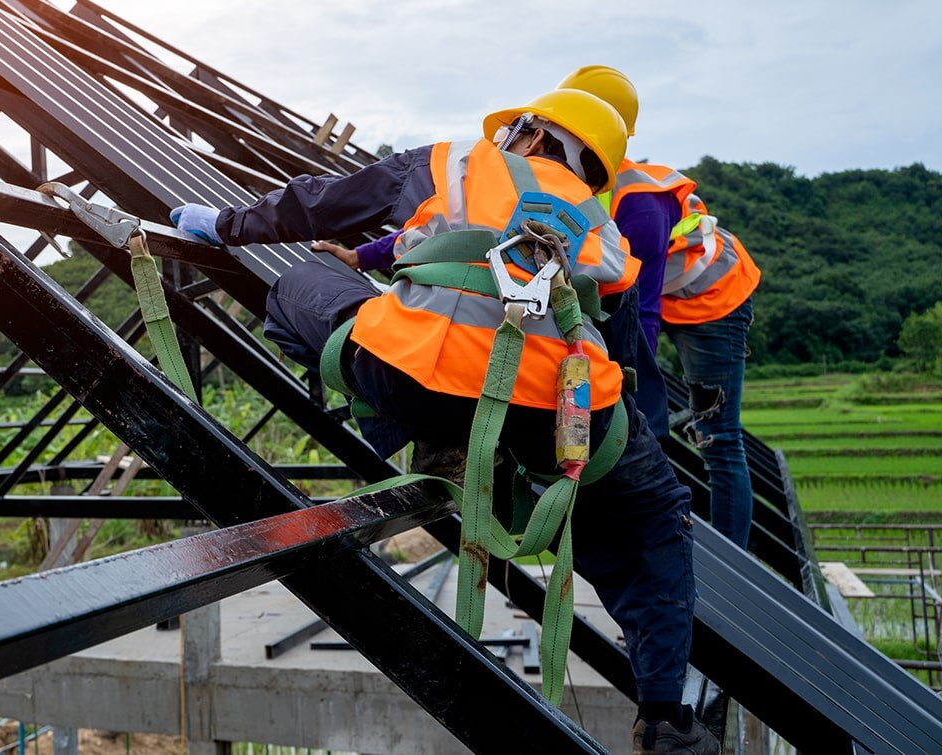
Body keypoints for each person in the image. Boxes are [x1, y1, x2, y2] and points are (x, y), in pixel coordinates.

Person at [174, 89, 717, 755]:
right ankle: (667, 718)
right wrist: (636, 454)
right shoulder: (600, 226)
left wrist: (224, 223)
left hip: (417, 374)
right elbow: (630, 356)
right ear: (593, 171)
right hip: (560, 410)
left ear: (532, 134)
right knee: (653, 520)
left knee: (300, 285)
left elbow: (321, 201)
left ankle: (427, 436)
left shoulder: (454, 162)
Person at [561, 66, 763, 550]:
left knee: (718, 436)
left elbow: (640, 311)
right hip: (669, 293)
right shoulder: (581, 185)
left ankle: (732, 558)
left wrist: (627, 389)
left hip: (711, 301)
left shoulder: (640, 201)